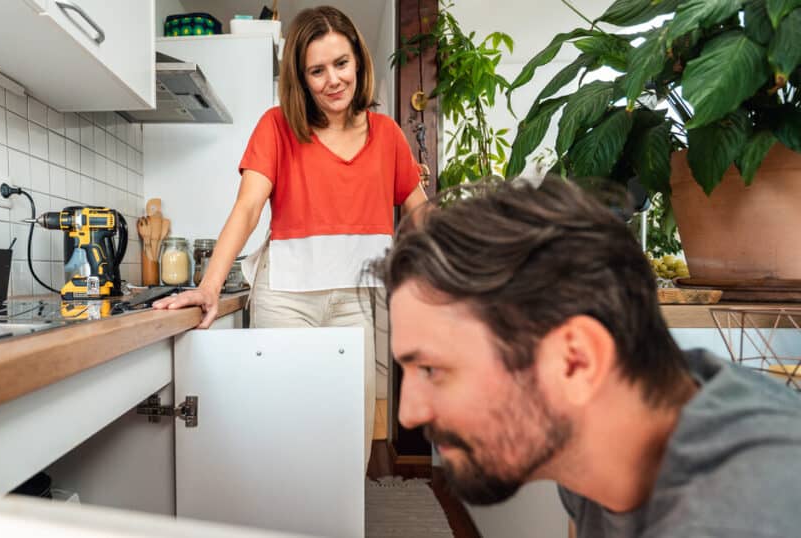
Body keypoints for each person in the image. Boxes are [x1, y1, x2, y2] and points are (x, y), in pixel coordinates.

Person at [372, 177, 801, 537]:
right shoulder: (611, 439)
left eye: (432, 369)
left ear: (576, 360)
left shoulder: (746, 513)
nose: (408, 413)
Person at [153, 5, 427, 464]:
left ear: (358, 60)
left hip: (356, 300)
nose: (333, 80)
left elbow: (421, 214)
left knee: (348, 434)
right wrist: (209, 286)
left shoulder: (387, 134)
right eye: (316, 71)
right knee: (284, 430)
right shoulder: (277, 126)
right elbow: (247, 208)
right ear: (301, 79)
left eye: (341, 64)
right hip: (285, 299)